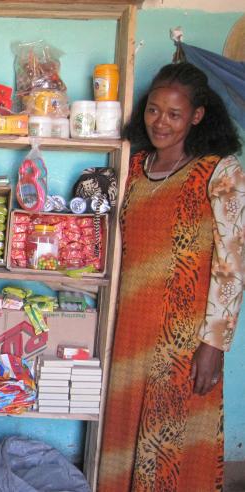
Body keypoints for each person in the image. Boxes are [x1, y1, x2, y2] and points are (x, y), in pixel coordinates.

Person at [99, 62, 243, 491]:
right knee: (123, 436)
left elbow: (233, 266)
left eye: (174, 114)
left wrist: (213, 345)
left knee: (172, 442)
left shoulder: (221, 172)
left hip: (184, 338)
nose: (160, 122)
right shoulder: (134, 166)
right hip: (130, 329)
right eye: (153, 110)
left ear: (196, 116)